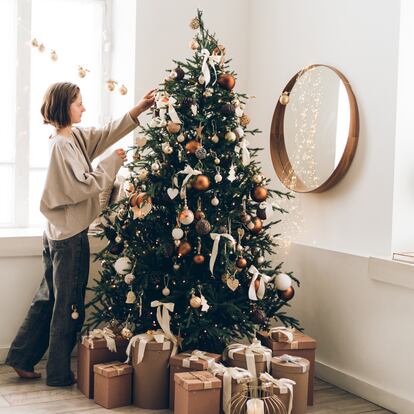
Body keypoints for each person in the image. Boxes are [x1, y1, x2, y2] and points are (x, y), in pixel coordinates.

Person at [5, 82, 155, 386]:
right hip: (68, 237)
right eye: (78, 103)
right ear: (64, 106)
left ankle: (21, 357)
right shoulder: (61, 145)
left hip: (57, 233)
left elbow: (103, 134)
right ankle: (58, 372)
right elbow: (82, 186)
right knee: (68, 304)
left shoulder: (72, 137)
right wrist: (112, 163)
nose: (83, 108)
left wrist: (137, 110)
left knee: (48, 298)